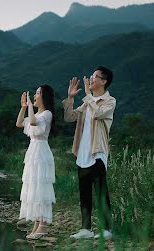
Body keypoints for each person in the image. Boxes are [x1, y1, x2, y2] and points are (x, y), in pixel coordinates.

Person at [63, 66, 116, 239]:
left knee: (101, 191)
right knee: (84, 192)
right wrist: (71, 98)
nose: (91, 79)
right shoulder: (87, 103)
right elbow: (69, 117)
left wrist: (88, 96)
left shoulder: (109, 101)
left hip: (97, 152)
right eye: (91, 76)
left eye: (95, 77)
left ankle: (106, 229)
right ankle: (86, 229)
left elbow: (99, 114)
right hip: (83, 153)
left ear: (104, 81)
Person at [16, 85, 56, 240]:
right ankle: (37, 222)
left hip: (41, 151)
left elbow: (32, 122)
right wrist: (23, 107)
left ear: (44, 97)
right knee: (33, 186)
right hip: (32, 152)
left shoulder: (47, 114)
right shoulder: (36, 113)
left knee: (41, 187)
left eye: (38, 93)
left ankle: (43, 224)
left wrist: (30, 107)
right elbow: (20, 123)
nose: (35, 95)